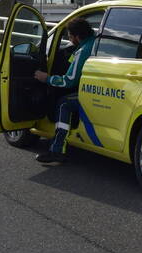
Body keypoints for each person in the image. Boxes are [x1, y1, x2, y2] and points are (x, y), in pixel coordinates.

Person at [32, 16, 97, 164]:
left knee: (64, 103)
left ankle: (57, 150)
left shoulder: (83, 51)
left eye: (70, 36)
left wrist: (46, 78)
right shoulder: (93, 42)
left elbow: (69, 81)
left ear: (77, 37)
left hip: (88, 92)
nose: (69, 39)